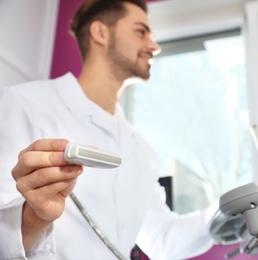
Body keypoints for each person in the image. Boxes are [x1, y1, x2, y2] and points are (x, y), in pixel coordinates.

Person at [0, 0, 215, 259]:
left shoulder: (143, 153)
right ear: (100, 32)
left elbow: (162, 239)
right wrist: (35, 216)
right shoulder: (23, 105)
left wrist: (230, 213)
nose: (154, 46)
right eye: (141, 31)